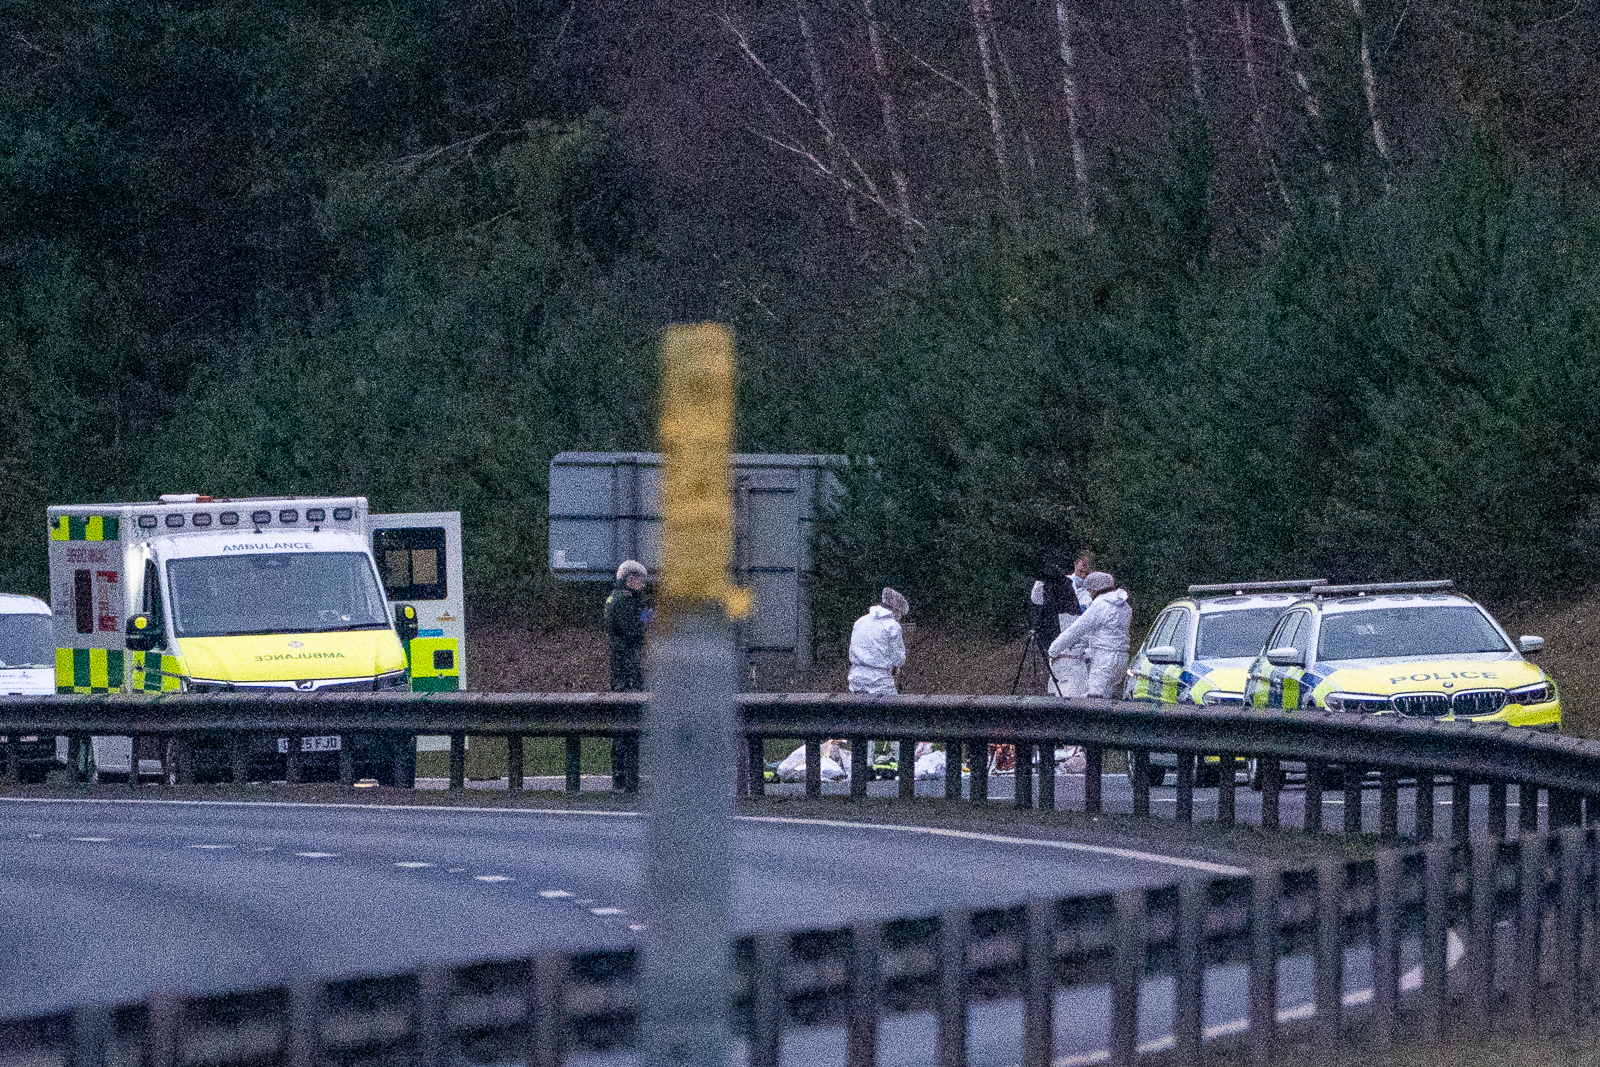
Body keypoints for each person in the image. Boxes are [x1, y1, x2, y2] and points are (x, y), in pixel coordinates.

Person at [848, 587, 909, 766]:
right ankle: (900, 762)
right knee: (896, 720)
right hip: (880, 682)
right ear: (896, 609)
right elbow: (899, 658)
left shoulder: (860, 622)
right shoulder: (893, 626)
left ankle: (864, 764)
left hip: (856, 679)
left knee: (863, 723)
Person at [1048, 571, 1131, 698]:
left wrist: (1053, 650)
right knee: (1112, 698)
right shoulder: (1124, 605)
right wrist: (1087, 652)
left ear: (1094, 589)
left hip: (1104, 662)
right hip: (1122, 659)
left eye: (1090, 590)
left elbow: (1075, 631)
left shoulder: (1099, 606)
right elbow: (1108, 636)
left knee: (1095, 700)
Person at [604, 559, 650, 790]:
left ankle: (626, 776)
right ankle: (622, 776)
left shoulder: (624, 600)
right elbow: (633, 632)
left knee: (628, 725)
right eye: (636, 578)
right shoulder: (622, 601)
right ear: (626, 578)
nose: (641, 582)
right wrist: (647, 618)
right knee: (625, 725)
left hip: (625, 669)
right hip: (625, 672)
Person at [1029, 560, 1083, 696]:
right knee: (1055, 684)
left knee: (1066, 689)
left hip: (1067, 652)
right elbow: (1036, 598)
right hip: (1058, 648)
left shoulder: (1066, 586)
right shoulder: (1065, 584)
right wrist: (1041, 581)